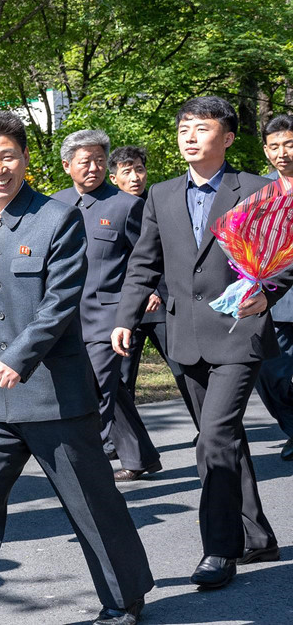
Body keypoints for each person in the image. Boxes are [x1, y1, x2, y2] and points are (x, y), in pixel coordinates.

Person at [0, 110, 153, 625]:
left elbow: (60, 303)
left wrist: (17, 358)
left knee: (92, 506)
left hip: (55, 395)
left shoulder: (57, 219)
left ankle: (124, 600)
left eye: (8, 156)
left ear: (26, 159)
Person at [113, 96, 292, 589]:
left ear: (228, 138)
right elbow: (143, 263)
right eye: (183, 128)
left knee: (212, 436)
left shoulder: (258, 189)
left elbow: (287, 253)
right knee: (225, 438)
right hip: (184, 336)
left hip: (239, 331)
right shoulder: (161, 195)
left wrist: (269, 290)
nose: (189, 136)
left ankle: (219, 549)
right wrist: (125, 317)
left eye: (202, 128)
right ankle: (258, 536)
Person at [51, 131, 161, 481]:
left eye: (100, 160)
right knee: (113, 391)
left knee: (94, 391)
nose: (95, 167)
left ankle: (86, 470)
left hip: (109, 317)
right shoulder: (54, 204)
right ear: (68, 166)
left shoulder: (127, 205)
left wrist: (152, 291)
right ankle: (139, 455)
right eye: (86, 161)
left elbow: (150, 257)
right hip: (68, 318)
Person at [108, 147, 196, 426]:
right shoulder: (106, 208)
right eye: (127, 171)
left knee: (184, 370)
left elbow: (172, 255)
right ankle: (123, 446)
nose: (135, 177)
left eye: (139, 169)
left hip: (163, 305)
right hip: (124, 309)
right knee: (120, 379)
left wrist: (156, 291)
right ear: (114, 178)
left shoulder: (162, 203)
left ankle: (208, 430)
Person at [255, 113, 293, 461]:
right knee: (270, 374)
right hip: (275, 301)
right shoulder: (260, 191)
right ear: (266, 151)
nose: (283, 152)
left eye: (289, 144)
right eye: (275, 146)